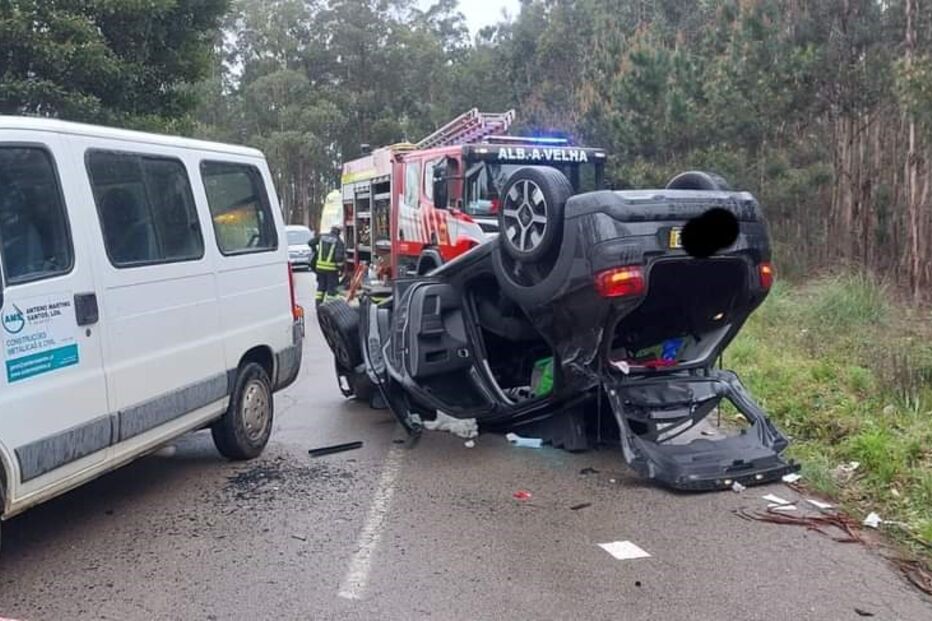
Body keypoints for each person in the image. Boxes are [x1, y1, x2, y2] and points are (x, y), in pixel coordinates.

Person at [310, 225, 345, 307]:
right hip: (331, 270)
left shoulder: (322, 237)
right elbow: (338, 258)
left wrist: (315, 251)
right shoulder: (338, 241)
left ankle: (318, 305)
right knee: (331, 290)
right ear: (338, 232)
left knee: (321, 288)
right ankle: (330, 307)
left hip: (319, 269)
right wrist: (341, 268)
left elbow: (310, 242)